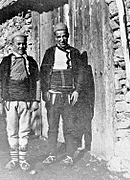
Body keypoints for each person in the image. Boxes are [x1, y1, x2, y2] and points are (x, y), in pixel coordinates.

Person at [0, 31, 41, 171]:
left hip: (26, 102)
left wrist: (36, 100)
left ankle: (23, 160)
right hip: (10, 103)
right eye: (18, 44)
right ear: (12, 45)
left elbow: (37, 81)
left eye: (23, 44)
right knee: (12, 131)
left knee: (24, 131)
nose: (21, 46)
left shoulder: (31, 62)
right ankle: (14, 160)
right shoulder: (6, 61)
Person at [40, 23, 84, 165]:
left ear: (68, 36)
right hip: (53, 95)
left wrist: (77, 90)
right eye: (58, 37)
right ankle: (52, 154)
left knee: (69, 126)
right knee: (52, 127)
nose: (62, 39)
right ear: (55, 38)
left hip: (68, 96)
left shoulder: (74, 53)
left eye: (64, 36)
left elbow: (79, 73)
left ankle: (70, 156)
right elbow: (44, 73)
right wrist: (45, 91)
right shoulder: (49, 53)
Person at [74, 51, 95, 151]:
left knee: (84, 123)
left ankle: (85, 144)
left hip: (83, 100)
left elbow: (89, 87)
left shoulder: (84, 70)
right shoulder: (84, 69)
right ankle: (83, 144)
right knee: (82, 123)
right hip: (82, 100)